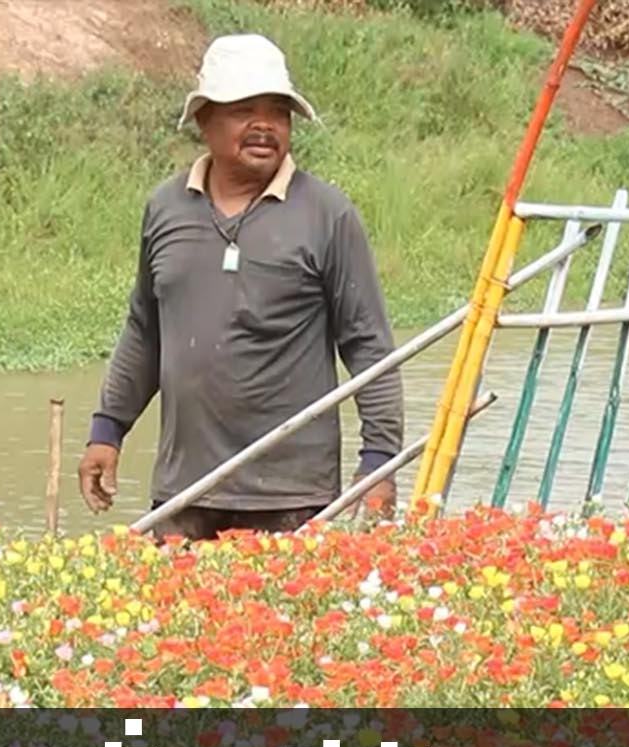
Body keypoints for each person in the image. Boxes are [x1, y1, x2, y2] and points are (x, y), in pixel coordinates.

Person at [78, 33, 404, 542]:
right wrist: (107, 430)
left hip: (291, 498)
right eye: (244, 110)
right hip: (184, 492)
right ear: (204, 119)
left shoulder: (328, 215)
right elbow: (145, 331)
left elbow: (369, 347)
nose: (264, 125)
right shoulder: (165, 209)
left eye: (277, 112)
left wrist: (380, 461)